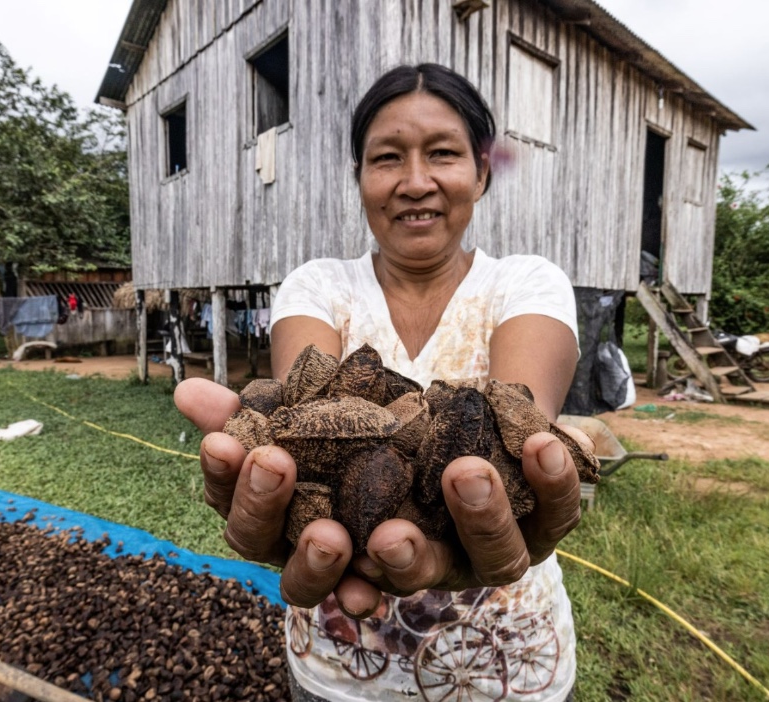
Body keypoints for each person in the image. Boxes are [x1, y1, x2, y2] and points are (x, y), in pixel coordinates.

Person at [175, 63, 587, 701]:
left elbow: (515, 434)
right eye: (387, 158)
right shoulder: (319, 286)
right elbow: (307, 423)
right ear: (361, 179)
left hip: (505, 661)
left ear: (481, 171)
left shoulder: (527, 282)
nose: (415, 182)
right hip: (337, 663)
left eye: (443, 154)